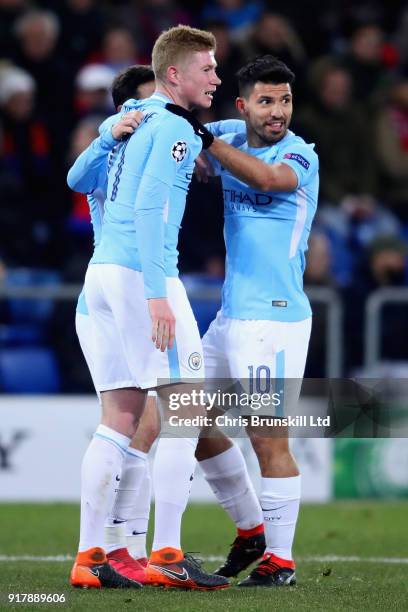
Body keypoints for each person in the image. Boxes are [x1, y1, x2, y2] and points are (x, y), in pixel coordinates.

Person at [68, 65, 266, 589]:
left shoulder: (117, 150)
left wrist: (107, 136)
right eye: (139, 105)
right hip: (140, 277)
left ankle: (105, 550)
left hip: (99, 285)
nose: (146, 114)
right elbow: (151, 212)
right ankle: (164, 551)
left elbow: (75, 178)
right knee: (181, 408)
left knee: (125, 419)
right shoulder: (146, 135)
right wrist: (158, 293)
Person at [167, 54, 319, 587]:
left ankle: (281, 561)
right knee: (182, 413)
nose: (278, 111)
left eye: (285, 100)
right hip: (231, 317)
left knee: (267, 437)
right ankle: (251, 529)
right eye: (267, 101)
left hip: (275, 320)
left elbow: (267, 178)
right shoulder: (228, 130)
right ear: (243, 105)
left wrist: (207, 146)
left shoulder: (300, 155)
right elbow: (176, 116)